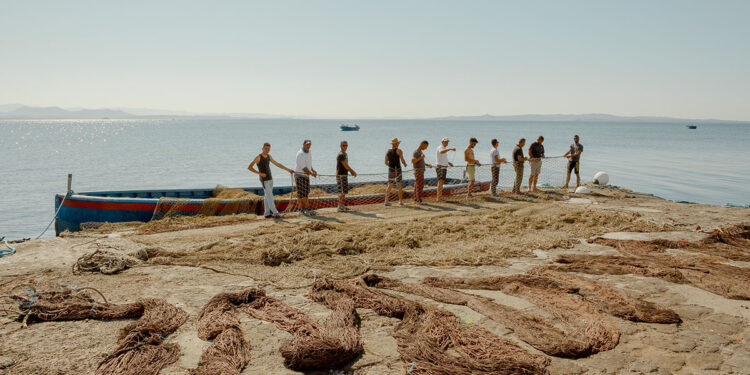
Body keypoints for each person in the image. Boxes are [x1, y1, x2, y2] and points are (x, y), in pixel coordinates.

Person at [247, 142, 294, 218]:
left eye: (268, 149)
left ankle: (267, 213)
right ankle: (275, 212)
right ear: (262, 149)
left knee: (267, 196)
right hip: (264, 180)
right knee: (270, 196)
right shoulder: (258, 157)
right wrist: (259, 173)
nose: (267, 150)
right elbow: (249, 167)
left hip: (270, 178)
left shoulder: (269, 156)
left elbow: (277, 164)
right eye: (266, 148)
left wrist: (288, 170)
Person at [294, 140, 318, 215]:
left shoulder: (309, 152)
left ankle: (304, 209)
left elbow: (309, 164)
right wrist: (311, 174)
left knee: (305, 192)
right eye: (307, 144)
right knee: (302, 194)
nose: (308, 145)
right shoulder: (300, 153)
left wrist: (313, 170)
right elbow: (303, 167)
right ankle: (304, 209)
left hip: (306, 176)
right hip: (299, 175)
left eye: (309, 144)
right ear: (303, 144)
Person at [384, 138, 407, 206]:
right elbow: (402, 160)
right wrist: (405, 164)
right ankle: (400, 201)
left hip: (391, 170)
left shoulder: (387, 151)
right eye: (398, 143)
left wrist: (391, 167)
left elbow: (385, 162)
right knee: (399, 185)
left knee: (389, 185)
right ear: (396, 144)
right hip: (398, 169)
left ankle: (386, 201)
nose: (399, 144)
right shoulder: (399, 151)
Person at [336, 141, 357, 212]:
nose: (345, 147)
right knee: (342, 191)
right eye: (344, 145)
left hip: (344, 174)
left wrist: (350, 171)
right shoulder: (341, 154)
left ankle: (342, 205)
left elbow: (346, 165)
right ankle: (340, 206)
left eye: (346, 145)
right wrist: (352, 171)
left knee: (344, 191)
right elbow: (345, 165)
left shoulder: (345, 154)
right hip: (341, 174)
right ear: (340, 146)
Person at [435, 137, 456, 202]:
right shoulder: (440, 147)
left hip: (443, 166)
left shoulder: (444, 148)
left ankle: (439, 197)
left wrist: (448, 163)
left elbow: (442, 158)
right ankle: (438, 198)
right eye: (445, 142)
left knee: (441, 182)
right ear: (442, 142)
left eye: (447, 142)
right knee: (440, 182)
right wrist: (450, 149)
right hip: (441, 167)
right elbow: (441, 152)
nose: (447, 143)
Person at [411, 140, 431, 204]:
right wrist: (421, 157)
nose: (426, 148)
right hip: (418, 171)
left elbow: (421, 161)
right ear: (422, 144)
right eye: (426, 146)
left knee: (417, 185)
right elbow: (413, 161)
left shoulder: (420, 152)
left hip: (421, 171)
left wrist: (428, 165)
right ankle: (419, 200)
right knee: (420, 185)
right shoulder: (416, 152)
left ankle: (416, 198)